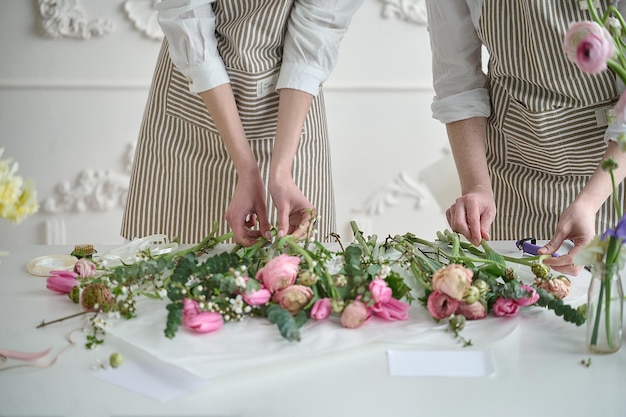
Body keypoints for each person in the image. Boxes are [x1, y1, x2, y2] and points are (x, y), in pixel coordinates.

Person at [121, 0, 363, 246]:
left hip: (293, 107)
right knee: (173, 265)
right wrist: (247, 170)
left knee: (293, 267)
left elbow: (318, 30)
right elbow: (188, 20)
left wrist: (281, 171)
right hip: (196, 98)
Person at [425, 0, 626, 275]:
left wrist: (590, 201)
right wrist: (477, 187)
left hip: (612, 176)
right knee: (520, 296)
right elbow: (458, 83)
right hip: (513, 176)